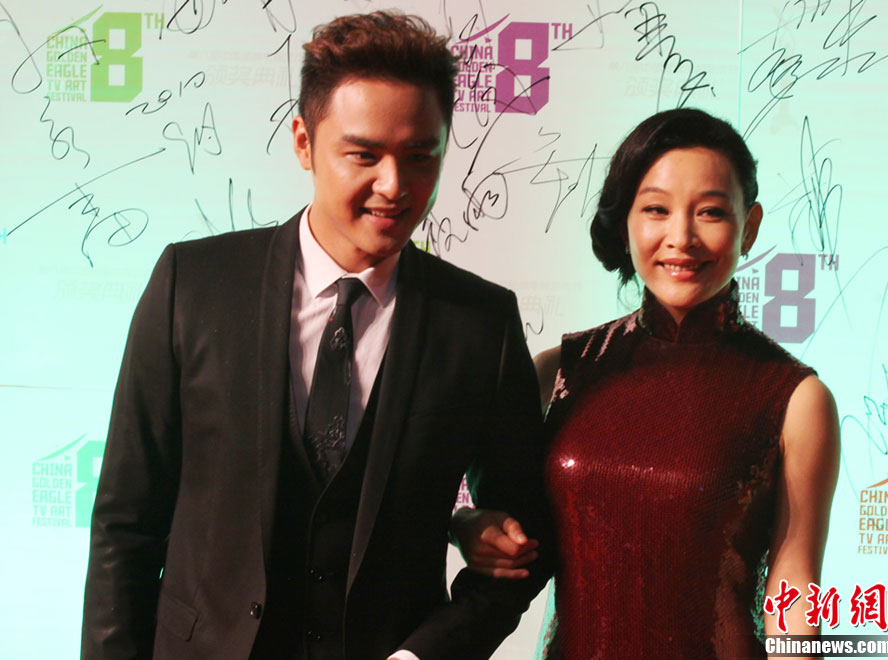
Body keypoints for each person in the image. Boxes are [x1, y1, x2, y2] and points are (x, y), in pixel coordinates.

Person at [81, 11, 552, 660]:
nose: (394, 185)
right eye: (364, 154)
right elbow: (125, 526)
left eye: (420, 157)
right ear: (304, 142)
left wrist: (426, 654)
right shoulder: (192, 285)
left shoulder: (480, 324)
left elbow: (525, 546)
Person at [452, 108, 840, 658]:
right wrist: (466, 524)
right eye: (656, 209)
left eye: (710, 212)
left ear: (749, 226)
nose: (681, 238)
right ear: (625, 223)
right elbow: (473, 504)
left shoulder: (796, 399)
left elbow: (794, 590)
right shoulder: (557, 373)